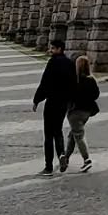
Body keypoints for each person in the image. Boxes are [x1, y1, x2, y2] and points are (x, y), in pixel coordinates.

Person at [32, 37, 76, 175]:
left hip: (52, 102)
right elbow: (74, 84)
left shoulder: (53, 62)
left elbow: (45, 83)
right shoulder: (70, 63)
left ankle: (48, 166)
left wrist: (37, 100)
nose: (50, 50)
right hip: (63, 103)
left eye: (52, 48)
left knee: (48, 135)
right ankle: (62, 154)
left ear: (59, 49)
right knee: (58, 131)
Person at [61, 55, 100, 173]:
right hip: (86, 112)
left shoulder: (74, 80)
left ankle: (86, 159)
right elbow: (96, 95)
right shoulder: (91, 79)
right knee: (73, 135)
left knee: (79, 136)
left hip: (75, 112)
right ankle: (66, 157)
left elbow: (67, 95)